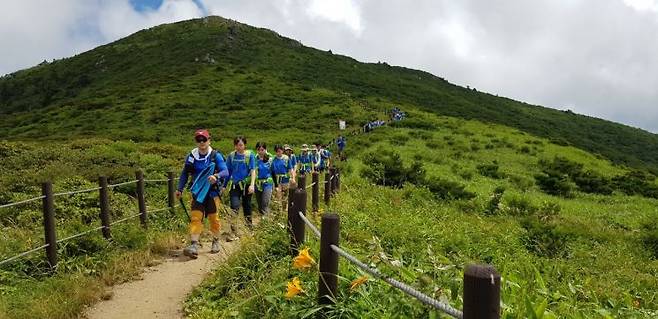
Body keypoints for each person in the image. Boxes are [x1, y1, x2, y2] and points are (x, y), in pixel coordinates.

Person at [176, 129, 229, 258]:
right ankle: (194, 244)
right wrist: (179, 189)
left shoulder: (215, 155)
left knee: (213, 218)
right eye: (198, 140)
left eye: (204, 139)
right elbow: (185, 173)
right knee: (195, 218)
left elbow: (225, 171)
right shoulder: (192, 156)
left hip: (212, 193)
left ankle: (215, 241)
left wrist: (216, 176)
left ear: (209, 140)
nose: (201, 142)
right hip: (198, 193)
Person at [224, 136, 256, 235]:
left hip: (246, 185)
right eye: (237, 145)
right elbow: (227, 171)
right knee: (234, 206)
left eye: (241, 145)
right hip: (234, 185)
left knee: (247, 206)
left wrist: (252, 185)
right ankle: (233, 231)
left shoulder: (250, 155)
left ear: (245, 145)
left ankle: (249, 229)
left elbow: (253, 170)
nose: (239, 147)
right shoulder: (231, 156)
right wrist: (224, 185)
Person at [254, 142, 274, 217]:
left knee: (265, 203)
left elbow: (274, 172)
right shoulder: (254, 158)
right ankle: (262, 221)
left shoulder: (270, 158)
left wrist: (276, 185)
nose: (260, 151)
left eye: (262, 150)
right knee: (259, 205)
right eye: (258, 150)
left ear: (265, 149)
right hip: (257, 183)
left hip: (267, 183)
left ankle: (266, 221)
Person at [272, 144, 294, 212]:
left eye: (280, 150)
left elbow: (290, 169)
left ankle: (284, 210)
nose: (279, 152)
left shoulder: (286, 158)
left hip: (285, 180)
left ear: (282, 150)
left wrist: (293, 178)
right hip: (277, 180)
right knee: (278, 196)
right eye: (277, 151)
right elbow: (272, 171)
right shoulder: (273, 159)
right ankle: (279, 211)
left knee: (285, 196)